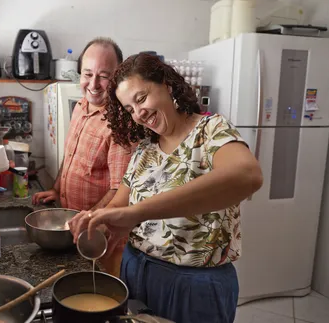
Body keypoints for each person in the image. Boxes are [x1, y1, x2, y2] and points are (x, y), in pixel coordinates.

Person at [69, 53, 263, 323]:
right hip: (135, 271)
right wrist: (98, 221)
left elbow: (247, 176)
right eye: (129, 109)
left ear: (167, 85)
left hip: (194, 285)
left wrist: (139, 213)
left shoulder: (211, 131)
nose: (138, 113)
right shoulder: (145, 151)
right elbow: (119, 205)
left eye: (141, 98)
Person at [32, 38, 133, 212]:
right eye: (87, 74)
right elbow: (70, 156)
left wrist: (89, 218)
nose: (93, 84)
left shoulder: (121, 122)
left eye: (103, 76)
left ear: (117, 77)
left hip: (99, 231)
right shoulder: (80, 107)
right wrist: (56, 190)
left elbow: (120, 190)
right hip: (70, 219)